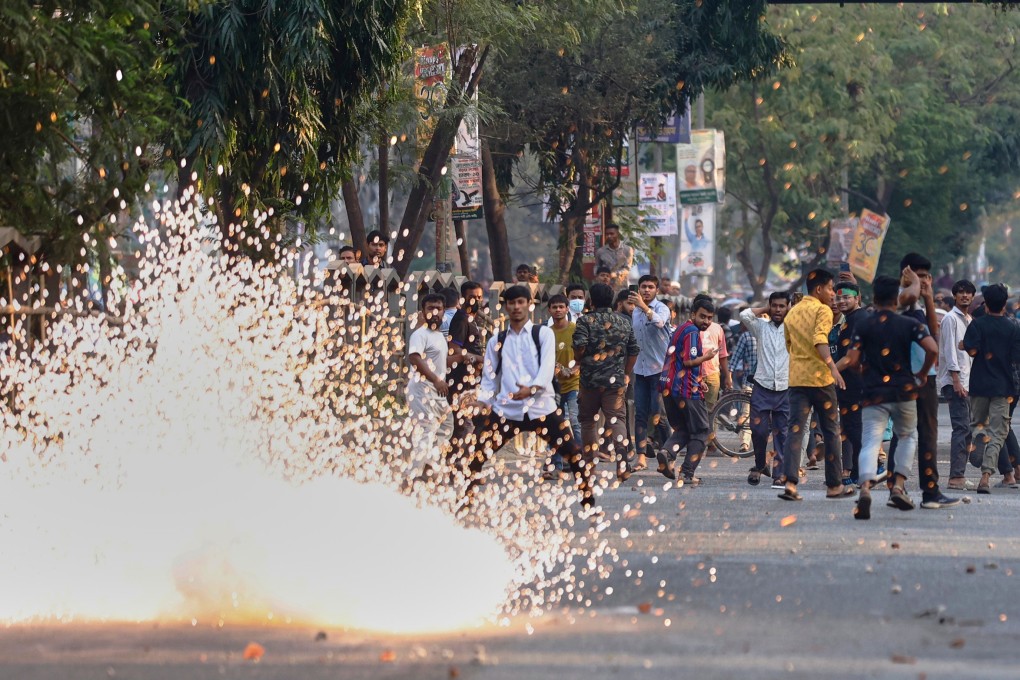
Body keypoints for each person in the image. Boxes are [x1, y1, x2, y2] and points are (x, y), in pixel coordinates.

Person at [465, 285, 592, 507]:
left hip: (541, 408)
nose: (516, 307)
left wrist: (532, 388)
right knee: (477, 454)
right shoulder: (497, 340)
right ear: (506, 307)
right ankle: (466, 499)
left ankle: (588, 499)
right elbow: (489, 376)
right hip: (507, 409)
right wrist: (483, 401)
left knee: (573, 453)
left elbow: (547, 367)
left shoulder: (542, 333)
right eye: (512, 303)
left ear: (528, 305)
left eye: (520, 302)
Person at [844, 276, 939, 519]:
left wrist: (863, 372)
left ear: (874, 299)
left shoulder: (863, 325)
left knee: (870, 442)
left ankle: (865, 488)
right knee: (907, 436)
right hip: (904, 390)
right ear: (896, 300)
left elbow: (852, 360)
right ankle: (897, 485)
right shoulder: (908, 324)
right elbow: (933, 349)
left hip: (873, 393)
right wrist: (922, 373)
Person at [778, 269, 852, 502]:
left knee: (795, 430)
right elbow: (820, 340)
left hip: (797, 380)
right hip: (820, 380)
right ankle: (833, 486)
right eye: (831, 289)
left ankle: (790, 483)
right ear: (819, 289)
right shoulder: (822, 310)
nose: (833, 294)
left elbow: (789, 345)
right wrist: (832, 367)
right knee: (830, 432)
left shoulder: (793, 312)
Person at [894, 253, 959, 510]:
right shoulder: (900, 298)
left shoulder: (920, 303)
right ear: (906, 275)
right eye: (917, 277)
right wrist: (914, 286)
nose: (922, 282)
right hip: (904, 377)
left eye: (925, 278)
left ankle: (930, 492)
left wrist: (930, 297)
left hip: (926, 377)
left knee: (928, 434)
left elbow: (934, 332)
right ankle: (896, 488)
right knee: (903, 434)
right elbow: (906, 298)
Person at [573, 283, 640, 480]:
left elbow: (579, 347)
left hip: (589, 381)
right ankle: (622, 463)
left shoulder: (585, 321)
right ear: (612, 301)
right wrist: (625, 373)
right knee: (617, 419)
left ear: (590, 300)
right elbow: (634, 351)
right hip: (615, 381)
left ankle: (590, 465)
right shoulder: (624, 322)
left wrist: (581, 359)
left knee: (587, 421)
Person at [962, 283, 1020, 494]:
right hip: (1003, 387)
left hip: (979, 384)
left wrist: (966, 345)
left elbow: (971, 350)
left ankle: (979, 436)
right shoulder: (1013, 327)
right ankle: (985, 477)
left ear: (985, 304)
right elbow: (1016, 358)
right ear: (1005, 304)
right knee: (999, 433)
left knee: (978, 424)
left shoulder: (977, 325)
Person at [657, 297, 715, 485]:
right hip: (686, 390)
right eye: (702, 317)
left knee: (683, 428)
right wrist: (707, 357)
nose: (706, 321)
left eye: (709, 318)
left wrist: (700, 379)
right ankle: (687, 473)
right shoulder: (691, 332)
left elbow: (680, 361)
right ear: (692, 314)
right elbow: (689, 361)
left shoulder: (680, 328)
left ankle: (667, 453)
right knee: (701, 431)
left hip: (670, 386)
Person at [740, 292, 791, 488]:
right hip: (762, 387)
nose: (778, 310)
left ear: (787, 308)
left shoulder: (792, 328)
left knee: (782, 434)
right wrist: (764, 310)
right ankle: (760, 464)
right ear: (770, 306)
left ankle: (779, 474)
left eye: (782, 306)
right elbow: (745, 315)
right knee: (758, 431)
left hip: (785, 387)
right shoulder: (760, 327)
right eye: (775, 306)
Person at [405, 293, 454, 479]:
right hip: (422, 389)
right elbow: (414, 358)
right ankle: (413, 476)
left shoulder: (439, 335)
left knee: (447, 424)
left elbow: (441, 360)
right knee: (427, 429)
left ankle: (429, 463)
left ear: (443, 312)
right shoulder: (420, 334)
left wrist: (466, 359)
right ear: (423, 312)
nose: (435, 313)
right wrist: (436, 379)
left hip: (437, 390)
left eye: (438, 309)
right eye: (430, 309)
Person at [630, 275, 673, 470]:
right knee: (640, 413)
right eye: (643, 287)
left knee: (659, 414)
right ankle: (641, 457)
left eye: (650, 287)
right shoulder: (634, 313)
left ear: (656, 290)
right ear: (638, 289)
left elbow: (660, 323)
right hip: (640, 370)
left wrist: (645, 308)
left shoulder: (662, 308)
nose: (646, 290)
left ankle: (668, 453)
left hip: (659, 371)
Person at [937, 279, 976, 491]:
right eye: (961, 292)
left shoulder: (968, 319)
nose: (964, 296)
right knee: (961, 428)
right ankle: (955, 477)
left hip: (966, 382)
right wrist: (956, 380)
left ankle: (959, 474)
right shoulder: (950, 319)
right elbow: (950, 352)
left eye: (968, 293)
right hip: (956, 382)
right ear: (955, 295)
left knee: (966, 428)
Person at [830, 280, 867, 488]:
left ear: (857, 298)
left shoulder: (858, 319)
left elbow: (852, 356)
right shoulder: (850, 318)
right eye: (839, 297)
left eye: (847, 297)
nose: (842, 301)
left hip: (856, 383)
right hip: (848, 382)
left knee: (855, 428)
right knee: (853, 428)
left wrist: (831, 372)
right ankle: (857, 470)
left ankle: (863, 472)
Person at [446, 281, 486, 463]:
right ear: (463, 298)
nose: (475, 300)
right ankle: (460, 466)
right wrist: (478, 358)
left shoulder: (473, 319)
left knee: (465, 424)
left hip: (471, 381)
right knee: (466, 424)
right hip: (460, 381)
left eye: (479, 297)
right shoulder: (461, 319)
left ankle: (452, 461)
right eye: (471, 297)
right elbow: (454, 350)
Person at [544, 294, 581, 480]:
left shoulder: (576, 330)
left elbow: (585, 354)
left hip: (574, 383)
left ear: (567, 309)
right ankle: (555, 466)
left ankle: (582, 464)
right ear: (549, 310)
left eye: (561, 307)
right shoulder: (546, 333)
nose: (558, 310)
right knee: (554, 425)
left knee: (574, 421)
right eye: (554, 307)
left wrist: (576, 368)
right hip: (554, 386)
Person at [699, 299, 731, 411]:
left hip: (713, 374)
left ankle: (710, 428)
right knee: (696, 409)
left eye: (709, 316)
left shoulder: (718, 328)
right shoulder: (691, 328)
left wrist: (727, 376)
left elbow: (722, 354)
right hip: (695, 374)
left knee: (711, 409)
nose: (706, 320)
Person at [595, 223, 634, 290]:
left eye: (612, 234)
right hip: (605, 287)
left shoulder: (627, 250)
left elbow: (627, 269)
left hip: (621, 286)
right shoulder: (600, 251)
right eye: (607, 234)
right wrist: (599, 274)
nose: (609, 236)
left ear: (618, 234)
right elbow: (597, 266)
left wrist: (614, 274)